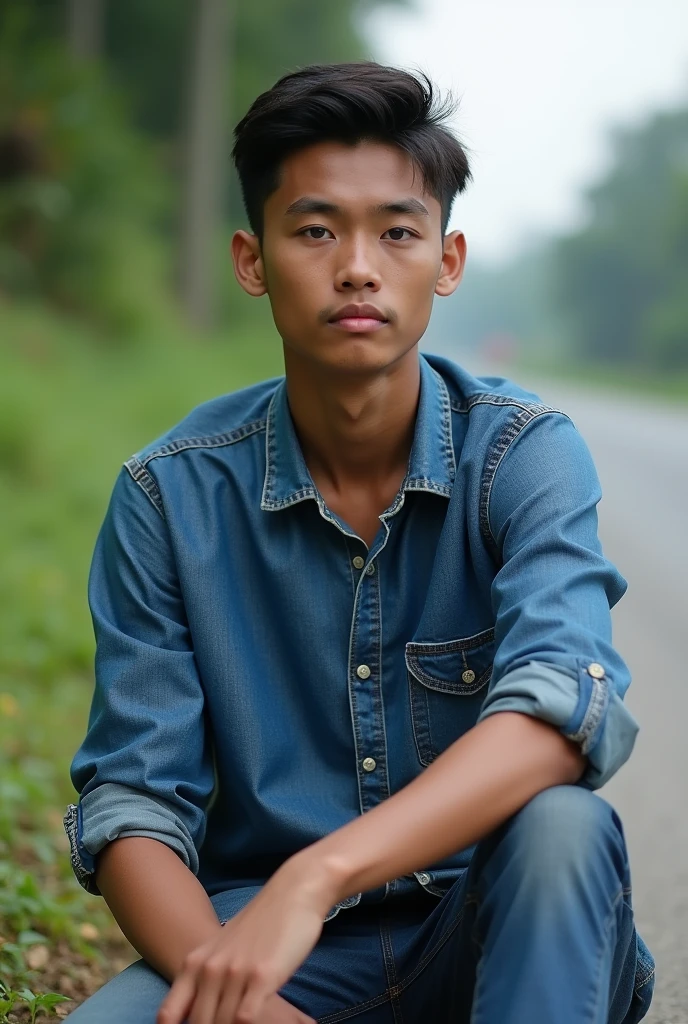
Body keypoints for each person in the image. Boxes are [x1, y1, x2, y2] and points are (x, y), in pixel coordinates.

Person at [64, 62, 655, 1024]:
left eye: (397, 231)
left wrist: (318, 872)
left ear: (447, 260)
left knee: (561, 826)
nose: (357, 267)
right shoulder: (167, 497)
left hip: (491, 938)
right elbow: (134, 801)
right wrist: (236, 991)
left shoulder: (523, 455)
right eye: (314, 229)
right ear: (252, 261)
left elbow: (561, 712)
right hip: (262, 955)